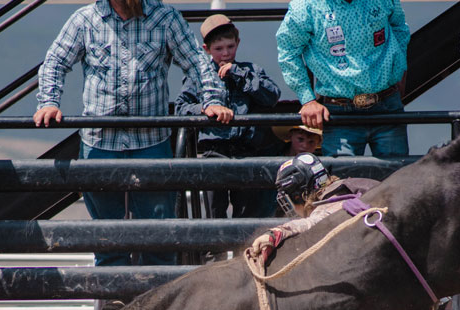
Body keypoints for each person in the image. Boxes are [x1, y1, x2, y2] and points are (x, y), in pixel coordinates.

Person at [34, 0, 234, 268]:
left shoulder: (165, 18)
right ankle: (115, 305)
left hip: (150, 142)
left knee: (160, 237)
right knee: (107, 239)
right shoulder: (85, 20)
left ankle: (156, 306)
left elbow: (197, 61)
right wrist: (49, 102)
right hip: (100, 143)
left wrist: (212, 99)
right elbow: (55, 62)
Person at [175, 14, 281, 218]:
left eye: (230, 47)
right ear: (206, 49)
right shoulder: (198, 76)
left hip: (248, 152)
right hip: (214, 152)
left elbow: (272, 96)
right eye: (218, 49)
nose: (225, 53)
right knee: (215, 211)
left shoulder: (252, 71)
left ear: (238, 43)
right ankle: (216, 251)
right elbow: (181, 107)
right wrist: (205, 109)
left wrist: (239, 75)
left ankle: (244, 250)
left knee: (247, 212)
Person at [276, 0, 411, 157]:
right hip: (340, 111)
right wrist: (307, 100)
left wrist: (398, 71)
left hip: (387, 103)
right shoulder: (306, 5)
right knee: (342, 178)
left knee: (397, 176)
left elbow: (400, 28)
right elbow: (288, 50)